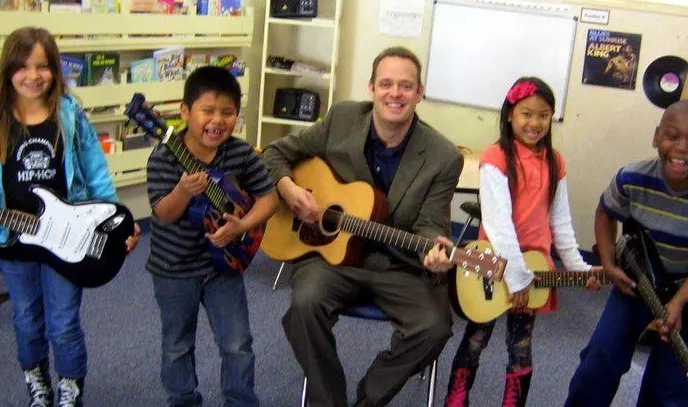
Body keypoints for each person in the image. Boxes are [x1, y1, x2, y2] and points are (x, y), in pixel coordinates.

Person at [0, 26, 140, 407]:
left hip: (68, 237)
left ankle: (70, 387)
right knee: (27, 320)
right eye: (23, 66)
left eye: (43, 66)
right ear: (8, 70)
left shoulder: (69, 113)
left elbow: (95, 170)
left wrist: (118, 218)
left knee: (63, 322)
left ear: (55, 70)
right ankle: (38, 383)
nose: (33, 75)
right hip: (12, 240)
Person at [261, 46, 464, 407]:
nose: (395, 94)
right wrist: (288, 188)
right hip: (331, 256)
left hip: (399, 264)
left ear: (420, 93)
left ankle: (368, 400)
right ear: (371, 88)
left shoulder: (444, 157)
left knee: (434, 328)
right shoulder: (342, 118)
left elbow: (430, 224)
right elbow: (274, 153)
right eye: (386, 84)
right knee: (303, 307)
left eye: (406, 86)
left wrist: (435, 253)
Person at [565, 100, 688, 406]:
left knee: (670, 387)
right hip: (638, 281)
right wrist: (608, 263)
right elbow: (605, 213)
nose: (682, 148)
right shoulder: (631, 177)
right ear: (657, 136)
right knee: (599, 361)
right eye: (672, 136)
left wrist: (679, 301)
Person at [444, 77, 599, 407]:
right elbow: (498, 225)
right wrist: (515, 278)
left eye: (543, 115)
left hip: (534, 267)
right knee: (476, 336)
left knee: (521, 345)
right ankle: (456, 396)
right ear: (510, 114)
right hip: (493, 264)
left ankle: (513, 401)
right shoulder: (496, 157)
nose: (535, 123)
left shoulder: (555, 162)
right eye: (527, 114)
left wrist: (579, 268)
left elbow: (560, 221)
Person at [145, 66, 278, 407]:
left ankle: (241, 401)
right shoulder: (164, 157)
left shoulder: (240, 153)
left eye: (227, 112)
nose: (217, 120)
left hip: (225, 266)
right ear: (184, 112)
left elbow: (269, 198)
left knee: (237, 344)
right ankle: (183, 400)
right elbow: (164, 214)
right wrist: (183, 191)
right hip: (174, 268)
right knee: (177, 345)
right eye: (207, 110)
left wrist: (242, 226)